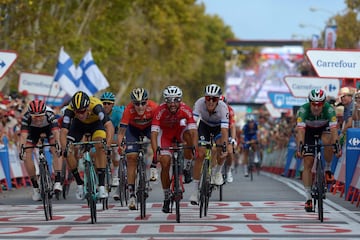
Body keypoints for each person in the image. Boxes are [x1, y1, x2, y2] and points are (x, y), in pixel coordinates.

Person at [151, 85, 198, 213]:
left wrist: (195, 148)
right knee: (165, 163)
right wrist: (156, 153)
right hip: (165, 135)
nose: (172, 103)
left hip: (179, 132)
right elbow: (154, 134)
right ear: (165, 101)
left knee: (189, 136)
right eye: (169, 100)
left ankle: (187, 167)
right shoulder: (160, 111)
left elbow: (193, 130)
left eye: (176, 100)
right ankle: (166, 196)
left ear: (180, 100)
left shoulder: (185, 109)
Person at [60, 91, 114, 200]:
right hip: (78, 126)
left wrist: (107, 145)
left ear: (87, 107)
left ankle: (102, 186)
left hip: (96, 125)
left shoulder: (96, 106)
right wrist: (64, 148)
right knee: (68, 149)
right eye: (77, 112)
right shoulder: (69, 110)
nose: (80, 114)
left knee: (100, 145)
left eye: (82, 111)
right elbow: (63, 132)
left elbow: (109, 126)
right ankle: (79, 184)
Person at [296, 88, 341, 212]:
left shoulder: (330, 110)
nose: (316, 107)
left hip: (324, 128)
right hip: (308, 131)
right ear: (309, 102)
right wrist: (300, 147)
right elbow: (300, 132)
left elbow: (334, 131)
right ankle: (308, 198)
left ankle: (327, 168)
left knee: (328, 142)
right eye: (314, 104)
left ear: (324, 103)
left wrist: (336, 145)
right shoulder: (303, 110)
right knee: (308, 162)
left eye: (319, 104)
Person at [117, 88, 158, 210]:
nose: (140, 107)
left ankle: (154, 167)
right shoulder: (128, 110)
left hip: (148, 128)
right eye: (137, 104)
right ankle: (131, 195)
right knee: (131, 158)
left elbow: (159, 131)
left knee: (157, 143)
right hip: (132, 130)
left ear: (147, 102)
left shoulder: (154, 107)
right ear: (132, 103)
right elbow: (121, 133)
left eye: (143, 103)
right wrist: (120, 146)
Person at [189, 84, 229, 205]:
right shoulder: (199, 103)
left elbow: (224, 130)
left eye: (214, 99)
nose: (211, 102)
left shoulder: (223, 108)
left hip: (218, 128)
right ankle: (195, 191)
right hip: (204, 126)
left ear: (218, 100)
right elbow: (192, 125)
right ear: (204, 98)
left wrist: (224, 145)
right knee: (200, 155)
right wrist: (193, 143)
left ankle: (217, 172)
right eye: (208, 98)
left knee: (221, 149)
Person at [18, 99, 62, 201]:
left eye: (40, 116)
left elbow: (56, 133)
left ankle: (58, 181)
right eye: (35, 117)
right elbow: (23, 136)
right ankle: (35, 187)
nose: (38, 119)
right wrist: (21, 149)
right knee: (27, 153)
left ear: (45, 113)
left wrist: (58, 144)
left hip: (49, 129)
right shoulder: (26, 117)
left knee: (55, 148)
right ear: (30, 114)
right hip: (33, 132)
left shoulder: (50, 115)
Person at [100, 92, 125, 191]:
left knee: (115, 149)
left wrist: (118, 142)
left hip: (116, 131)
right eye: (104, 103)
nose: (106, 105)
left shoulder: (118, 113)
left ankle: (115, 175)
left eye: (108, 103)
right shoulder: (99, 113)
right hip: (103, 132)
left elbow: (121, 131)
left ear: (113, 105)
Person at [220, 96, 237, 183]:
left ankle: (228, 170)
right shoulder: (211, 108)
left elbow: (233, 126)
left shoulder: (230, 110)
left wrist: (233, 139)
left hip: (227, 129)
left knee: (230, 151)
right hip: (216, 129)